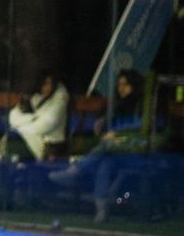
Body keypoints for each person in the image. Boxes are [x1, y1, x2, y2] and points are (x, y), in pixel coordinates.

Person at [49, 69, 144, 222]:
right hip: (113, 153)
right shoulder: (115, 105)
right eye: (119, 84)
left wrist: (117, 135)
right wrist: (101, 127)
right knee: (105, 165)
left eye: (126, 85)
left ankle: (76, 171)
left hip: (132, 152)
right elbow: (104, 130)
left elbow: (138, 129)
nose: (121, 88)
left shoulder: (140, 105)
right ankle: (101, 209)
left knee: (106, 149)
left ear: (134, 86)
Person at [0, 70, 70, 210]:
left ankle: (2, 200)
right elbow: (13, 118)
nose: (47, 87)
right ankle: (3, 199)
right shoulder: (33, 98)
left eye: (50, 84)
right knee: (6, 158)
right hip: (27, 141)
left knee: (7, 151)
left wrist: (21, 127)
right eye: (45, 83)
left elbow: (46, 125)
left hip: (49, 146)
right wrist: (32, 119)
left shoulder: (60, 98)